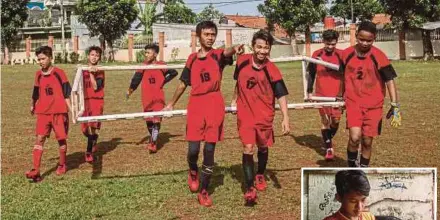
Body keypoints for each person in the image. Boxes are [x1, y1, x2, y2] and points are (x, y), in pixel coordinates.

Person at [164, 20, 243, 207]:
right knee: (193, 150)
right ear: (199, 36)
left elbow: (227, 51)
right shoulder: (191, 58)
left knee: (209, 149)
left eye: (213, 34)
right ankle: (193, 170)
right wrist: (171, 103)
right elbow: (183, 83)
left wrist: (236, 48)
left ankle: (205, 190)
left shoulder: (217, 56)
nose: (210, 38)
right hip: (196, 104)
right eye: (207, 34)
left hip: (214, 103)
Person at [231, 30, 290, 204]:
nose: (262, 51)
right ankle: (249, 188)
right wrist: (234, 99)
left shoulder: (272, 70)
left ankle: (259, 174)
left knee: (262, 147)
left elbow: (281, 95)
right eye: (259, 47)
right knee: (248, 148)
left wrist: (285, 118)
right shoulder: (241, 61)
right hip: (245, 114)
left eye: (266, 48)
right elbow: (238, 82)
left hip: (265, 115)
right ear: (253, 46)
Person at [341, 21, 401, 167]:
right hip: (353, 103)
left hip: (374, 106)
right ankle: (352, 169)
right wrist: (338, 98)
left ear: (374, 38)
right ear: (356, 36)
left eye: (369, 40)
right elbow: (340, 78)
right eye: (361, 39)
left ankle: (363, 170)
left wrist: (395, 105)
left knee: (367, 141)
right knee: (354, 138)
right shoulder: (346, 54)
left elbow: (390, 80)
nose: (365, 43)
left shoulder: (379, 56)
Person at [26, 46, 72, 182]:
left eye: (43, 59)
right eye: (39, 59)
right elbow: (35, 91)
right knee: (39, 139)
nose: (41, 62)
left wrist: (72, 110)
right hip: (43, 113)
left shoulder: (59, 73)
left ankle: (62, 164)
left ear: (51, 57)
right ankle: (36, 170)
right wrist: (33, 104)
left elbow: (67, 93)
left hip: (59, 112)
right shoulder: (38, 75)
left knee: (61, 140)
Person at [126, 44, 178, 153]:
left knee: (156, 120)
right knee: (149, 121)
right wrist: (130, 90)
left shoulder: (161, 65)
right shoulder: (143, 66)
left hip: (158, 97)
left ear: (155, 54)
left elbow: (174, 72)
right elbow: (136, 79)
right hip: (146, 98)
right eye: (145, 52)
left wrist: (164, 81)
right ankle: (153, 137)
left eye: (148, 52)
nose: (146, 55)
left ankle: (153, 143)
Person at [307, 29, 344, 161]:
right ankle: (329, 148)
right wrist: (309, 91)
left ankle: (327, 137)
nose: (330, 47)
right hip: (321, 92)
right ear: (323, 41)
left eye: (333, 44)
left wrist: (343, 93)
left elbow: (346, 74)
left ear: (336, 42)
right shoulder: (316, 54)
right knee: (325, 120)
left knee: (335, 121)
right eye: (328, 44)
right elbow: (311, 73)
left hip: (337, 94)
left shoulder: (341, 55)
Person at [81, 46, 105, 162]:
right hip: (85, 101)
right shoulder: (82, 69)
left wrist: (91, 73)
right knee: (85, 129)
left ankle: (88, 152)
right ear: (88, 56)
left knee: (91, 126)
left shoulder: (100, 70)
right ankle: (94, 139)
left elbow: (95, 87)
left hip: (96, 100)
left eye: (97, 55)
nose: (94, 57)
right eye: (92, 55)